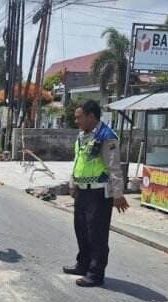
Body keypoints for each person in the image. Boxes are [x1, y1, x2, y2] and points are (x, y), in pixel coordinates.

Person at [64, 100, 129, 287]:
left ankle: (95, 273)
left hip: (99, 194)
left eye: (79, 118)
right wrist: (73, 183)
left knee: (97, 235)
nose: (77, 121)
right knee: (81, 230)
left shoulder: (106, 136)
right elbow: (78, 161)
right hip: (82, 192)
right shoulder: (82, 136)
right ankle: (82, 264)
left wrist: (118, 194)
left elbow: (114, 167)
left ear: (91, 116)